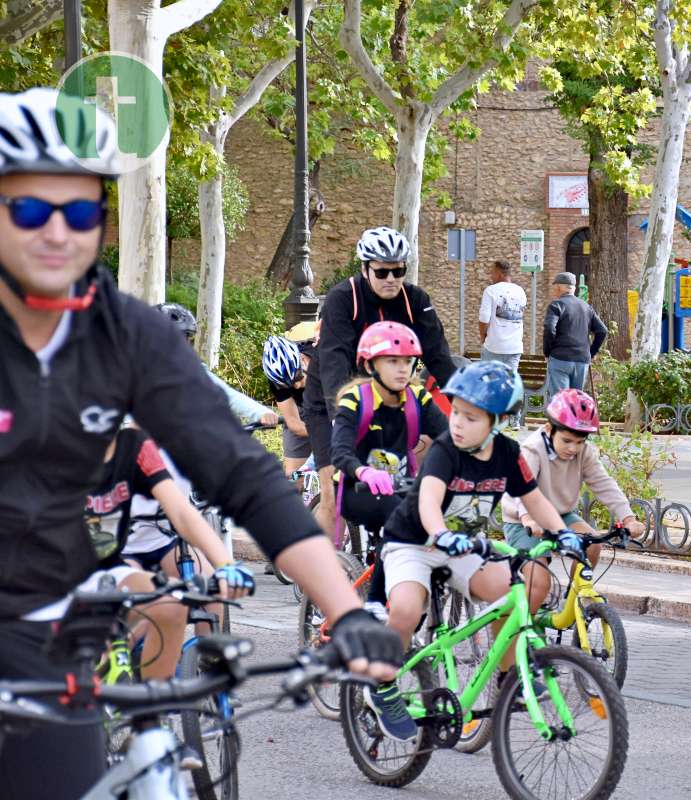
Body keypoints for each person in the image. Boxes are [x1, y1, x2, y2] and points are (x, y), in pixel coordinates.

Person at [0, 87, 402, 798]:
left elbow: (244, 473)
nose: (57, 232)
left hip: (44, 639)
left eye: (81, 209)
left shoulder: (128, 337)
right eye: (30, 209)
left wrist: (344, 611)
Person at [370, 361, 583, 740]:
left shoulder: (508, 452)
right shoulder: (445, 451)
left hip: (463, 546)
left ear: (497, 421)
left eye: (471, 417)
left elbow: (534, 500)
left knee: (509, 592)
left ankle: (506, 676)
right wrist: (439, 532)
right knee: (404, 610)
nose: (457, 423)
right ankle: (383, 685)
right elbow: (430, 502)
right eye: (456, 412)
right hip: (414, 542)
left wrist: (563, 533)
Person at [302, 226, 457, 535]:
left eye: (398, 271)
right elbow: (334, 364)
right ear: (364, 268)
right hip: (331, 402)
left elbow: (440, 358)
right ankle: (323, 573)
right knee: (334, 492)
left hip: (390, 399)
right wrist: (340, 417)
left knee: (409, 479)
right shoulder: (343, 299)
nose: (391, 279)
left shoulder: (415, 300)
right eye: (382, 272)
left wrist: (469, 407)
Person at [86, 424, 254, 679]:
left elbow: (183, 512)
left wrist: (226, 564)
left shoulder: (155, 444)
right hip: (125, 549)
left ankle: (206, 666)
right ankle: (107, 669)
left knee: (204, 589)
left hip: (165, 541)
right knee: (141, 612)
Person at [331, 321, 447, 615]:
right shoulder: (355, 399)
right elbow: (340, 452)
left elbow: (448, 439)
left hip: (401, 486)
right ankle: (375, 602)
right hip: (354, 489)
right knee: (400, 518)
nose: (402, 369)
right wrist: (364, 472)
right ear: (371, 366)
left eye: (408, 362)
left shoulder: (418, 398)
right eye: (392, 361)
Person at [500, 388, 645, 610]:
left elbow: (603, 483)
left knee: (592, 545)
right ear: (549, 429)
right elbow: (521, 489)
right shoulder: (533, 448)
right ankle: (520, 633)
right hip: (523, 521)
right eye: (567, 440)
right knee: (539, 583)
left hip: (560, 515)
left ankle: (572, 605)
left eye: (579, 442)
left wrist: (628, 518)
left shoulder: (582, 452)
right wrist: (529, 518)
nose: (573, 448)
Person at [156, 301, 279, 428]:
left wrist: (261, 413)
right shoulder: (138, 368)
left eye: (186, 339)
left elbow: (226, 394)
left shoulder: (190, 369)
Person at [542, 271, 606, 394]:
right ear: (573, 288)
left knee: (561, 402)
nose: (554, 290)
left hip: (560, 358)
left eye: (554, 287)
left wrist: (547, 352)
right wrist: (591, 353)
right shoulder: (586, 307)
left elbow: (549, 328)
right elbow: (602, 331)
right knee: (575, 401)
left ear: (559, 287)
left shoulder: (556, 305)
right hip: (582, 361)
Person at [263, 333, 311, 478]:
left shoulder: (325, 361)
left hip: (333, 404)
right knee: (293, 477)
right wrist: (320, 432)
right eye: (288, 384)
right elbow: (293, 422)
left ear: (303, 360)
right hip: (301, 409)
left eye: (298, 377)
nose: (296, 386)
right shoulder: (276, 378)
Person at [478, 259, 526, 373]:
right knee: (509, 384)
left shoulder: (490, 291)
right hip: (515, 346)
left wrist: (483, 337)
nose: (491, 276)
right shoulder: (520, 291)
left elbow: (484, 318)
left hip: (494, 346)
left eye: (492, 273)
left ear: (499, 274)